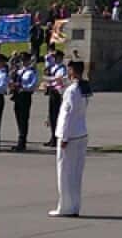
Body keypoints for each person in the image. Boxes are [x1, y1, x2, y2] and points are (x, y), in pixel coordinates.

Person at [48, 60, 90, 217]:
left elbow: (67, 114)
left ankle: (65, 207)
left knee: (64, 172)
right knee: (76, 173)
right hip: (80, 132)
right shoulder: (83, 88)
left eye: (69, 69)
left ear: (73, 71)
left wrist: (64, 136)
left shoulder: (72, 90)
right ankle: (74, 206)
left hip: (70, 135)